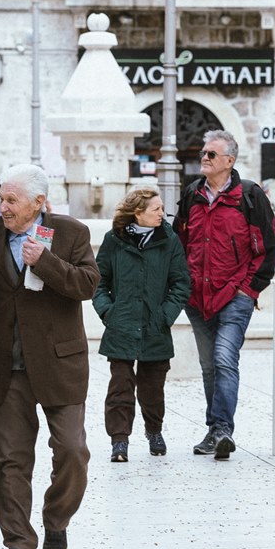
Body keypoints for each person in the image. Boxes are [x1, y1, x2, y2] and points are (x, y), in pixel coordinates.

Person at [0, 163, 100, 549]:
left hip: (59, 362)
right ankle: (18, 543)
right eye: (2, 198)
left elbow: (87, 285)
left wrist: (45, 262)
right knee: (10, 459)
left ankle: (56, 521)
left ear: (39, 203)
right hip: (5, 365)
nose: (2, 206)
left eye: (11, 200)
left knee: (72, 451)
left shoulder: (71, 233)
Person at [174, 129, 275, 461]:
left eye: (211, 154)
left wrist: (249, 290)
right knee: (208, 366)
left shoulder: (250, 196)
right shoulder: (191, 194)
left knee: (223, 359)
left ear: (229, 161)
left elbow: (266, 249)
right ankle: (214, 430)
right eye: (203, 153)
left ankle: (222, 430)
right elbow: (179, 243)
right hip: (198, 297)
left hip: (236, 294)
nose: (204, 158)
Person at [92, 187, 190, 463]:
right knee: (120, 387)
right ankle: (119, 440)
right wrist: (108, 313)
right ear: (138, 213)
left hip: (155, 327)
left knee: (152, 388)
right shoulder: (113, 240)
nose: (163, 213)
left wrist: (165, 315)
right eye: (156, 209)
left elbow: (181, 283)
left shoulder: (169, 240)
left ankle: (154, 430)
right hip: (121, 325)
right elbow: (99, 282)